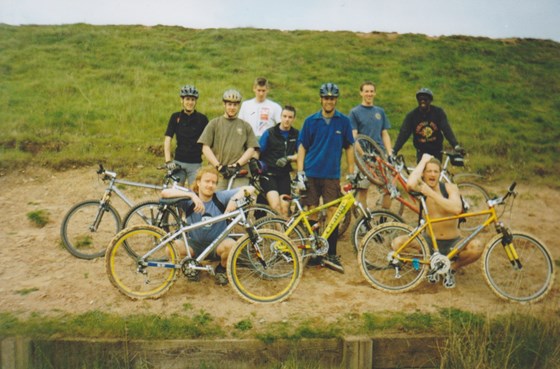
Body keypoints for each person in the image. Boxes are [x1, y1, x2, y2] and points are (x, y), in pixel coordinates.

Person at [161, 165, 256, 285]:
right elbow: (164, 192)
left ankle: (221, 269)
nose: (210, 185)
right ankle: (195, 265)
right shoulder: (190, 199)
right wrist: (192, 195)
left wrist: (233, 200)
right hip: (193, 246)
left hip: (217, 246)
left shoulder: (221, 197)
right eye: (207, 181)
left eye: (214, 182)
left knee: (232, 245)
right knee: (171, 249)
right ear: (198, 182)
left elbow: (250, 188)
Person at [296, 82, 355, 273]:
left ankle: (330, 253)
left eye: (332, 98)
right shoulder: (310, 121)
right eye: (326, 97)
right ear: (321, 99)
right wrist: (299, 172)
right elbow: (302, 147)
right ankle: (313, 251)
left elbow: (349, 147)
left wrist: (351, 172)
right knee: (312, 211)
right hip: (312, 172)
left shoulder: (343, 121)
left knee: (333, 213)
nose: (329, 101)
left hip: (331, 175)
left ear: (336, 99)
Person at [402, 153, 482, 288]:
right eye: (429, 171)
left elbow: (456, 208)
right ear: (423, 174)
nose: (432, 174)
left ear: (440, 174)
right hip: (428, 242)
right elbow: (409, 184)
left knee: (477, 247)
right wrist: (423, 161)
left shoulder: (450, 188)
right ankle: (423, 266)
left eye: (435, 171)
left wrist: (431, 193)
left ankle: (451, 268)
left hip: (453, 242)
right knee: (397, 244)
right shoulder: (421, 188)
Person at [198, 89, 260, 190]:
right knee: (216, 200)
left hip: (240, 172)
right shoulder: (214, 123)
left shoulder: (245, 126)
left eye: (235, 105)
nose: (232, 107)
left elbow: (251, 148)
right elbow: (205, 147)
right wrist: (218, 166)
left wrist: (237, 164)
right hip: (219, 171)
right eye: (229, 104)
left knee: (237, 200)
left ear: (238, 106)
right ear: (224, 104)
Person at [349, 81, 393, 209]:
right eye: (366, 91)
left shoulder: (380, 112)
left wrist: (389, 153)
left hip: (380, 156)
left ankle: (383, 220)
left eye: (371, 91)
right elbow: (354, 137)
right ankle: (364, 223)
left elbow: (384, 133)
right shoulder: (355, 112)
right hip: (363, 157)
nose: (369, 94)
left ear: (375, 93)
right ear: (361, 93)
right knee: (363, 190)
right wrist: (363, 155)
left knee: (388, 189)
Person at [392, 88, 464, 163]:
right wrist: (395, 150)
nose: (423, 102)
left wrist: (455, 145)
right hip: (421, 151)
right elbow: (404, 134)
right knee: (422, 172)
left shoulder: (438, 113)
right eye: (420, 100)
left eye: (425, 99)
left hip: (437, 150)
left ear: (430, 101)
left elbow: (447, 130)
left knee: (434, 172)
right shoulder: (412, 116)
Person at [257, 105, 299, 216]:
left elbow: (302, 154)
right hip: (268, 174)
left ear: (293, 119)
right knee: (275, 206)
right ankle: (277, 233)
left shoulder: (296, 134)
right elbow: (257, 152)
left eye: (290, 117)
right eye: (284, 116)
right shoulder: (269, 133)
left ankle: (281, 233)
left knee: (285, 208)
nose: (287, 119)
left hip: (284, 175)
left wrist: (289, 158)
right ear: (280, 117)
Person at [164, 85, 209, 185]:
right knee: (175, 194)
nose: (190, 102)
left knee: (196, 193)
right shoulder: (175, 117)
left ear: (196, 101)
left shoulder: (202, 119)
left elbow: (208, 143)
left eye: (193, 99)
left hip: (196, 164)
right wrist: (168, 161)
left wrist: (210, 163)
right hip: (178, 163)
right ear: (182, 100)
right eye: (187, 99)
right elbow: (168, 139)